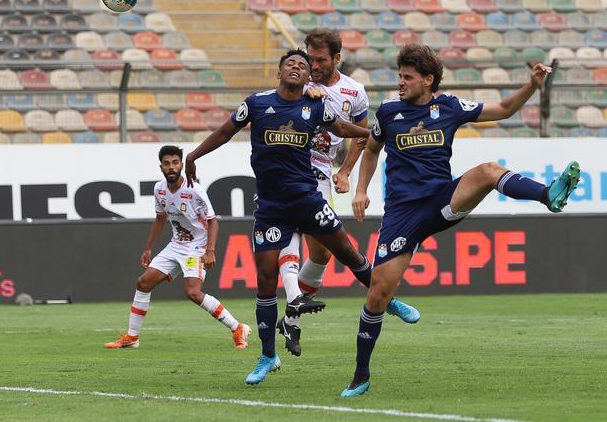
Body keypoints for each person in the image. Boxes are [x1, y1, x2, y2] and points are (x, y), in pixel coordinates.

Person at [340, 44, 581, 397]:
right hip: (402, 214)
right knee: (378, 293)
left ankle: (548, 195)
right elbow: (372, 149)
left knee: (488, 171)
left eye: (407, 77)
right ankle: (361, 374)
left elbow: (503, 109)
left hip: (441, 201)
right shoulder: (389, 111)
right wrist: (361, 190)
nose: (400, 82)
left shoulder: (449, 107)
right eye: (399, 76)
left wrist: (532, 85)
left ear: (428, 80)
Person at [184, 49, 416, 386]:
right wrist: (193, 155)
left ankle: (389, 300)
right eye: (290, 64)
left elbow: (342, 127)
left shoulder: (316, 106)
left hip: (307, 198)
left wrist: (375, 134)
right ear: (279, 73)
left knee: (347, 253)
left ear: (308, 77)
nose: (296, 67)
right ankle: (268, 355)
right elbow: (224, 132)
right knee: (266, 279)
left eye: (302, 65)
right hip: (270, 206)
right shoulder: (257, 103)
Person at [276, 28, 419, 358]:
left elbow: (360, 135)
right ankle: (384, 296)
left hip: (322, 173)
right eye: (309, 59)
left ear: (336, 58)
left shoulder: (354, 92)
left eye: (320, 60)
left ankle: (290, 319)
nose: (313, 66)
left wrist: (345, 171)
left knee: (323, 253)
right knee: (316, 239)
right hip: (291, 169)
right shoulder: (299, 83)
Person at [104, 145, 250, 350]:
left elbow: (213, 220)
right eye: (166, 164)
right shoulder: (159, 189)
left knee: (193, 292)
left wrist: (210, 251)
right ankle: (132, 337)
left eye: (175, 163)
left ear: (181, 165)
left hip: (196, 248)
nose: (171, 167)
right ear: (161, 167)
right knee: (143, 283)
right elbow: (160, 217)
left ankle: (237, 327)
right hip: (176, 245)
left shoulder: (194, 190)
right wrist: (148, 248)